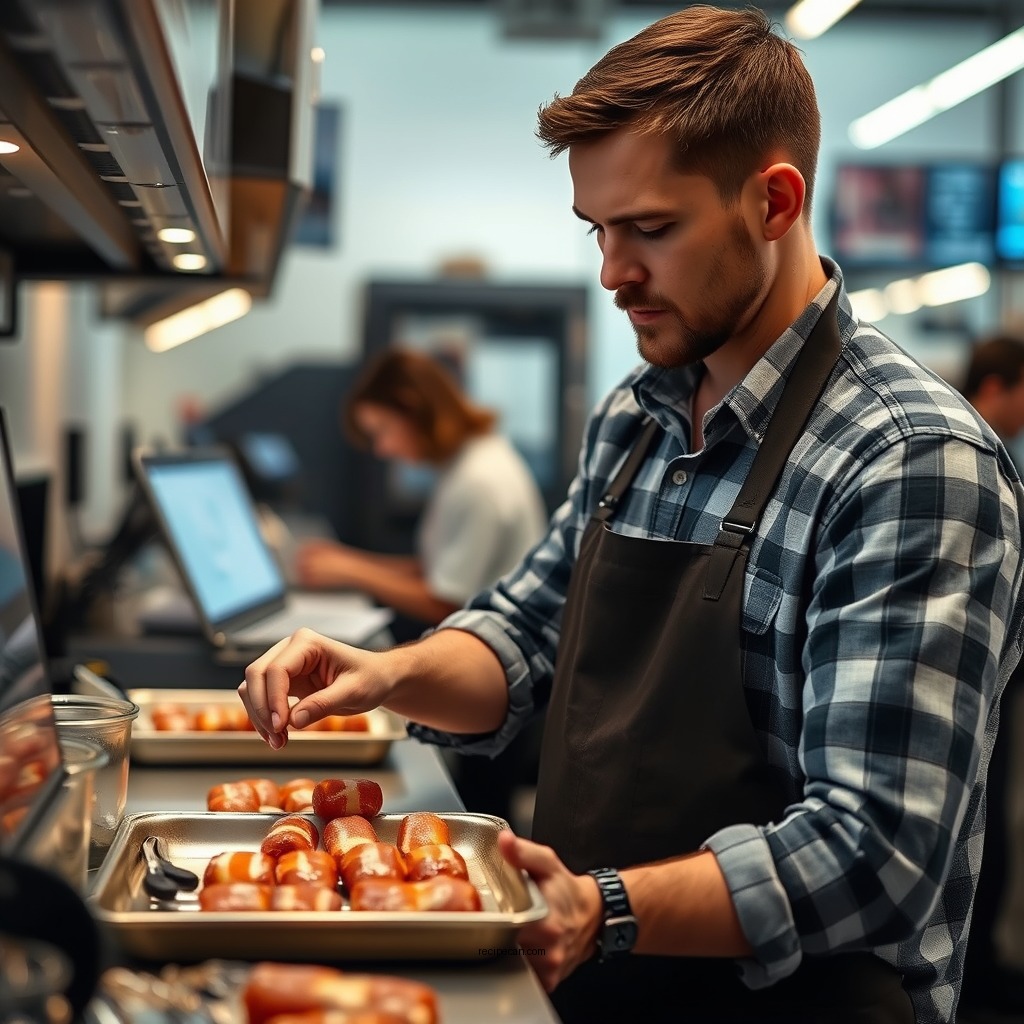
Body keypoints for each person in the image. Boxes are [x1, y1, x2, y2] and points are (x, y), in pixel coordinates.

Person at [238, 7, 1024, 1023]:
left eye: (650, 229)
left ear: (775, 201)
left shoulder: (909, 461)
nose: (613, 272)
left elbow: (875, 852)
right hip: (606, 985)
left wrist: (603, 907)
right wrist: (385, 675)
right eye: (598, 230)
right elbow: (527, 632)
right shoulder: (639, 417)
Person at [292, 348, 548, 628]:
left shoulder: (478, 480)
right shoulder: (469, 460)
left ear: (412, 409)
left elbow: (445, 601)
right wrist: (346, 561)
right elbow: (436, 568)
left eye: (382, 430)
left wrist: (352, 571)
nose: (381, 449)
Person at [957, 335, 1024, 1018]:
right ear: (999, 386)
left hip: (994, 681)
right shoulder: (959, 457)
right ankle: (973, 987)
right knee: (975, 829)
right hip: (973, 686)